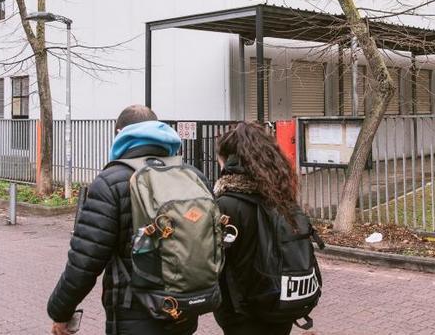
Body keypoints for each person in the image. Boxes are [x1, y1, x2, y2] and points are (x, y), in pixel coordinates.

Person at [47, 105, 201, 335]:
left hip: (135, 313)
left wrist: (61, 311)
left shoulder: (111, 181)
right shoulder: (191, 175)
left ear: (119, 132)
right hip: (184, 308)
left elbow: (85, 260)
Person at [213, 122, 319, 335]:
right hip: (281, 305)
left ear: (228, 159)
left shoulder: (226, 205)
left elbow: (214, 261)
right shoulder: (281, 198)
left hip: (242, 312)